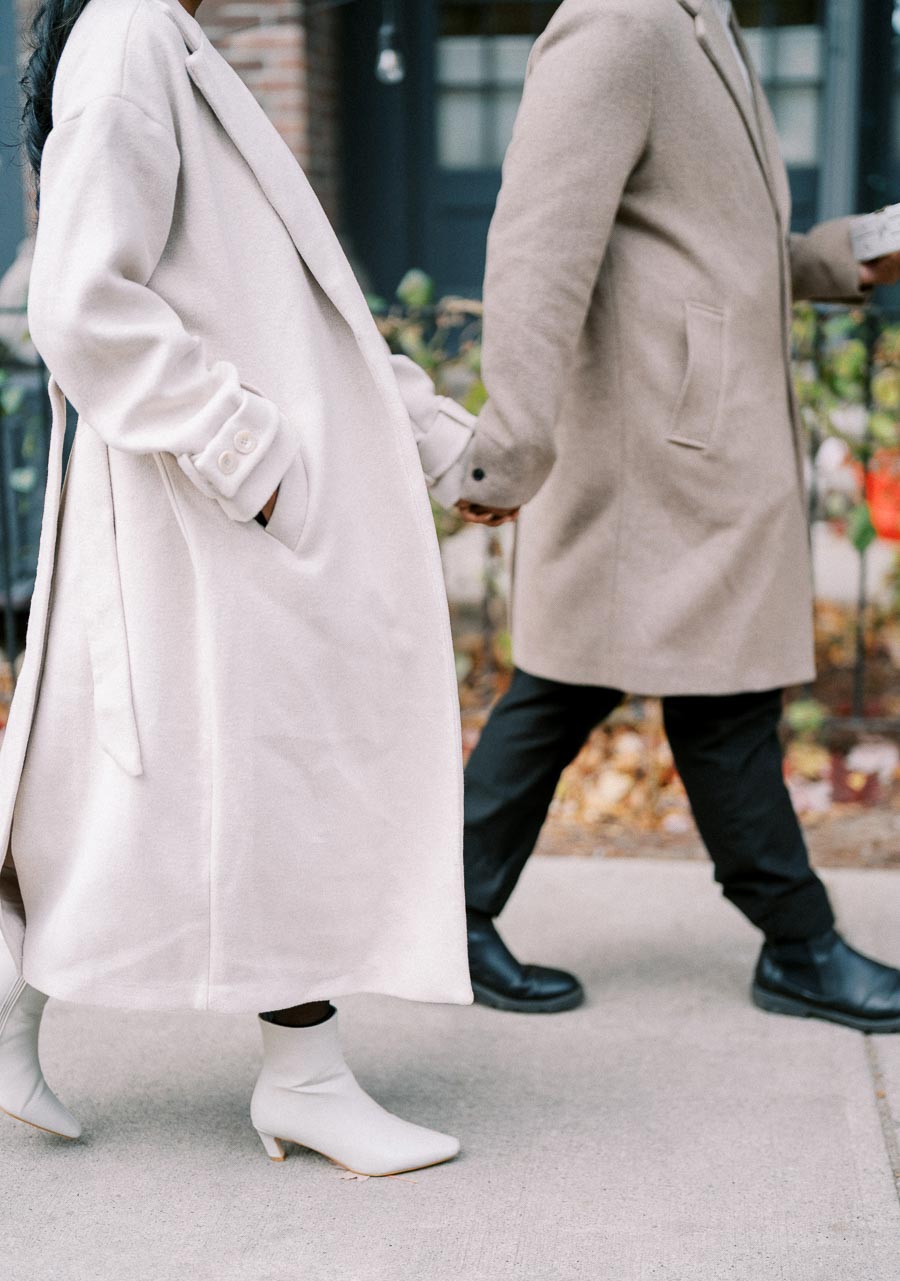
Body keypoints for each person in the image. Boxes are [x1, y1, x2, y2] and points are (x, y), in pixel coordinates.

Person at [0, 0, 477, 1175]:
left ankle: (29, 1001)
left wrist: (433, 440)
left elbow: (300, 312)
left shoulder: (162, 34)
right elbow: (77, 302)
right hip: (206, 507)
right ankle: (303, 1076)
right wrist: (246, 455)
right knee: (254, 775)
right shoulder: (132, 41)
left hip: (223, 504)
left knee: (146, 780)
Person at [429, 0, 900, 1027]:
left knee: (611, 692)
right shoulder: (621, 26)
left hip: (690, 445)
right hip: (653, 457)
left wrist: (857, 252)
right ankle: (799, 944)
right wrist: (507, 449)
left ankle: (448, 917)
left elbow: (715, 239)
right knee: (692, 696)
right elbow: (538, 249)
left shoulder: (699, 23)